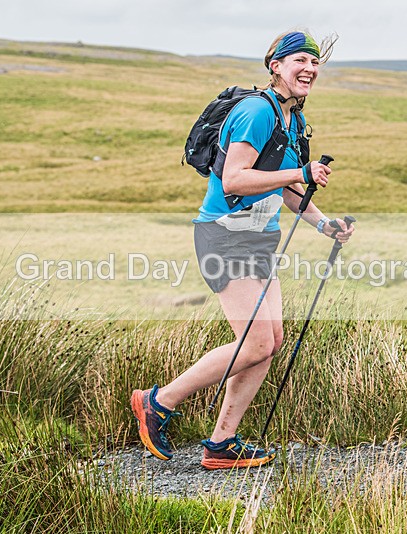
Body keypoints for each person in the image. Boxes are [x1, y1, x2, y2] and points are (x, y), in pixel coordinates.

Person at [131, 30, 354, 470]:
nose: (309, 68)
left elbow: (288, 188)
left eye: (314, 62)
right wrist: (301, 169)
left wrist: (324, 224)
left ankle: (221, 444)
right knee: (253, 343)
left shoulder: (292, 120)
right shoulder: (256, 111)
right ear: (276, 65)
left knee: (270, 342)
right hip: (226, 235)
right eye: (299, 60)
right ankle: (158, 401)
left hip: (257, 239)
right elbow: (234, 179)